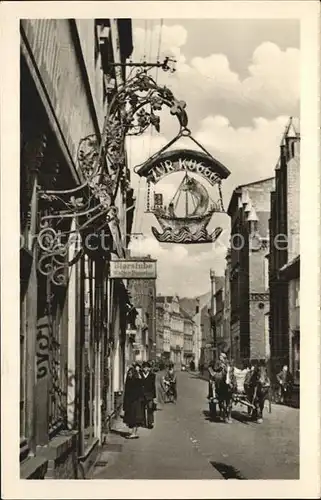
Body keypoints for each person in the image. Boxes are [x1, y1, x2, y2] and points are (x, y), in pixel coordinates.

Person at [123, 364, 145, 439]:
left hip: (135, 402)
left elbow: (139, 391)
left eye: (130, 373)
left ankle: (134, 433)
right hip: (132, 402)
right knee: (132, 418)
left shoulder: (136, 381)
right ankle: (133, 432)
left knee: (135, 418)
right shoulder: (130, 381)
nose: (129, 375)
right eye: (128, 374)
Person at [141, 361, 157, 429]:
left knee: (150, 409)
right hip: (141, 395)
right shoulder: (140, 375)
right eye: (144, 368)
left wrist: (154, 396)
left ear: (149, 368)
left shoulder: (152, 375)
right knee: (142, 409)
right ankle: (143, 422)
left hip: (150, 395)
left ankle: (150, 423)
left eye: (147, 368)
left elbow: (153, 386)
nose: (145, 369)